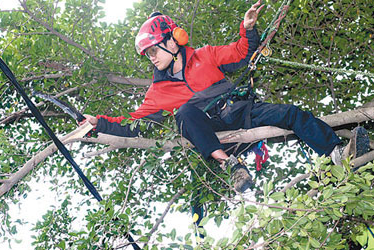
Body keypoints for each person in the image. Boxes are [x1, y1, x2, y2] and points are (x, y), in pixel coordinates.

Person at [80, 0, 362, 193]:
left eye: (153, 50)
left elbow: (242, 52)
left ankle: (336, 153)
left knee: (291, 113)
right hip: (214, 133)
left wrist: (248, 28)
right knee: (185, 114)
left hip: (240, 111)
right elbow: (133, 122)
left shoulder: (206, 56)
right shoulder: (158, 92)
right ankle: (231, 167)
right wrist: (99, 123)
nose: (151, 58)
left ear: (172, 41)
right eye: (147, 54)